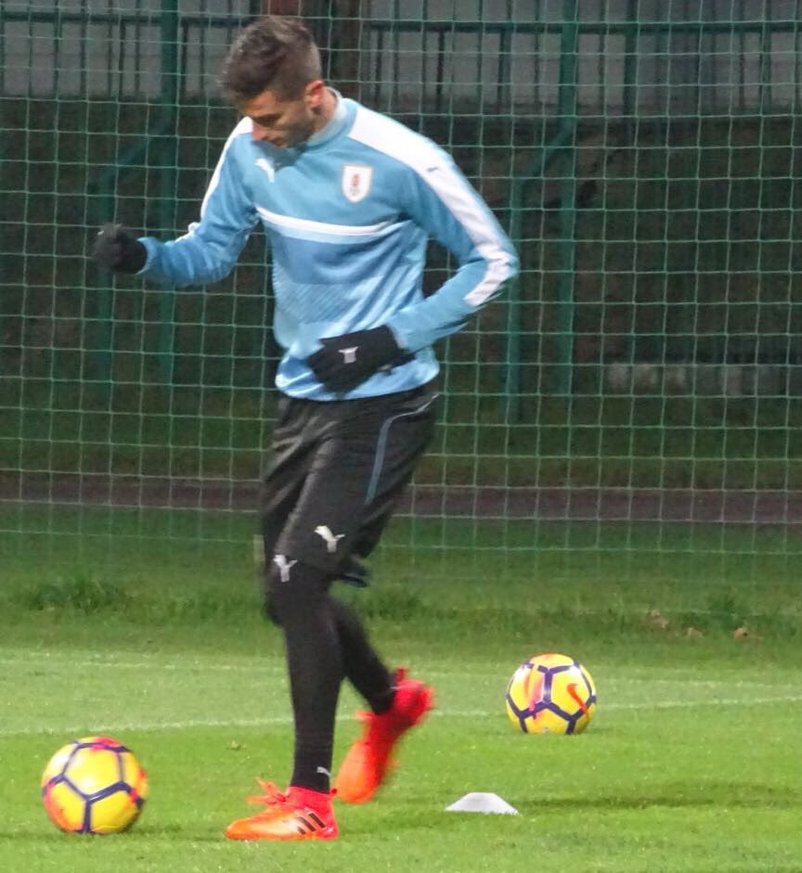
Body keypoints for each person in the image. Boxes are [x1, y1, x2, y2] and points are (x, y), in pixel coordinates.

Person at [91, 16, 518, 840]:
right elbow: (211, 251)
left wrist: (389, 339)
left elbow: (493, 261)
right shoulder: (248, 149)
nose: (257, 133)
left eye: (269, 117)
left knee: (296, 579)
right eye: (248, 118)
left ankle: (308, 804)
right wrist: (145, 256)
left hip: (386, 402)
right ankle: (391, 704)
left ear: (314, 94)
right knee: (287, 593)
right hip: (301, 399)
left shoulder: (402, 160)